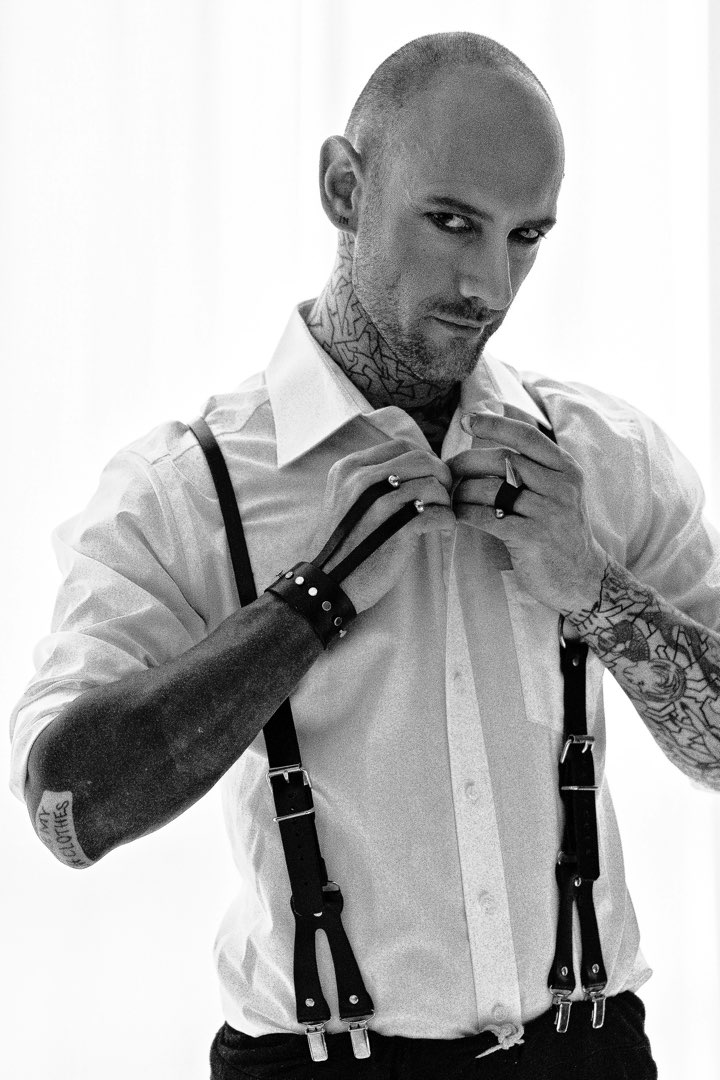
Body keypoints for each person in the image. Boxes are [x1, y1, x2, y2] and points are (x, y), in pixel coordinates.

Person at [10, 30, 720, 1080]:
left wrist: (596, 591)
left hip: (590, 1054)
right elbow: (66, 813)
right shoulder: (188, 488)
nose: (488, 282)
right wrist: (308, 605)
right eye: (451, 222)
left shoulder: (601, 457)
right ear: (345, 188)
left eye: (525, 236)